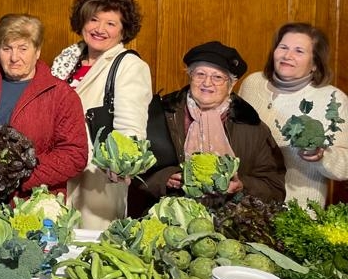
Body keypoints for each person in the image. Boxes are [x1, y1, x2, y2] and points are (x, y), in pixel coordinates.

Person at [0, 14, 88, 198]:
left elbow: (74, 155)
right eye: (7, 48)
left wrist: (15, 176)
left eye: (23, 48)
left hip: (32, 200)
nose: (14, 57)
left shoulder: (62, 95)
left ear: (37, 51)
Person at [50, 0, 153, 229]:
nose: (99, 29)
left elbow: (131, 129)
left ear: (123, 31)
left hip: (97, 180)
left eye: (110, 23)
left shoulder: (129, 66)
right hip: (57, 173)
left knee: (88, 255)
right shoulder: (67, 60)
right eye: (94, 19)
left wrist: (120, 166)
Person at [142, 41, 285, 203]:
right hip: (171, 217)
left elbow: (275, 187)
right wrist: (163, 179)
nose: (207, 83)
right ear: (190, 75)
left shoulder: (252, 126)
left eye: (217, 77)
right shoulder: (159, 114)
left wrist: (242, 186)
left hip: (229, 222)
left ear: (232, 84)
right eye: (200, 74)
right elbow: (135, 174)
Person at [239, 23, 348, 206]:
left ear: (314, 63)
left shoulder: (332, 99)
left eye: (299, 51)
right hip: (248, 202)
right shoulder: (252, 83)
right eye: (283, 47)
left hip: (298, 208)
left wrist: (323, 156)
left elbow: (346, 166)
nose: (287, 56)